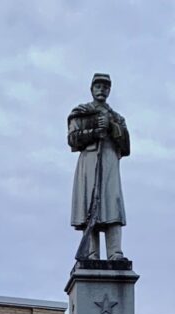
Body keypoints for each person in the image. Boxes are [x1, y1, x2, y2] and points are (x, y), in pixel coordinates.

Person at [68, 73, 130, 261]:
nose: (101, 89)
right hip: (89, 162)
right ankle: (92, 252)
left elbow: (126, 146)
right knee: (90, 205)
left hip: (110, 161)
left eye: (105, 87)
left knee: (113, 204)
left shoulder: (117, 118)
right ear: (92, 89)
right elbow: (72, 139)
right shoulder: (81, 112)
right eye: (98, 86)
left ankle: (115, 252)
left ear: (109, 90)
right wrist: (95, 130)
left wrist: (112, 127)